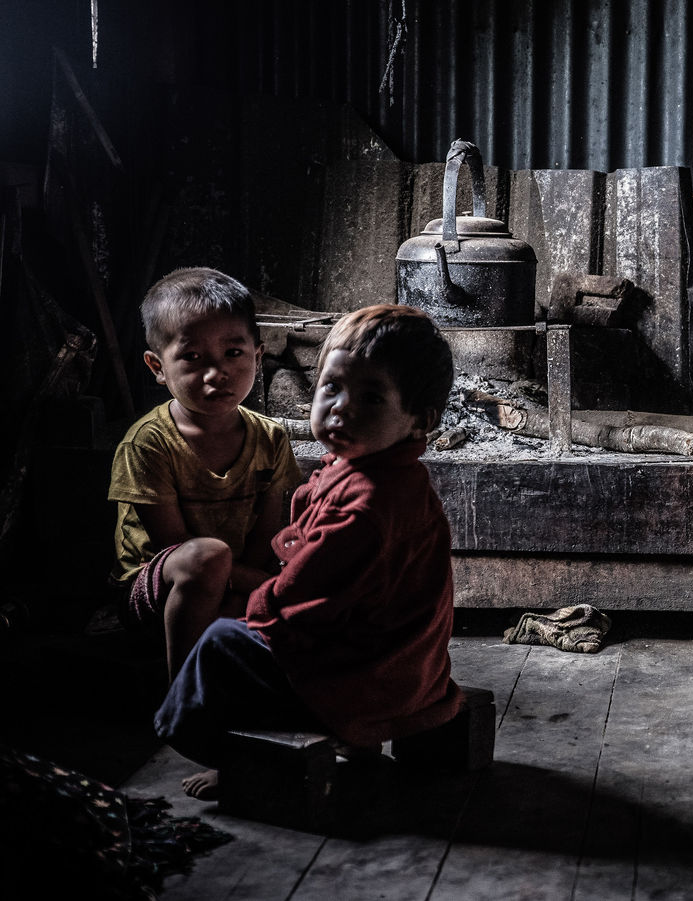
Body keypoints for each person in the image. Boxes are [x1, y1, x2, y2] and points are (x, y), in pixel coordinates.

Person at [154, 304, 466, 799]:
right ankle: (347, 738)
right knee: (248, 626)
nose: (341, 407)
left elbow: (307, 601)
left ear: (417, 420)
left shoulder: (367, 504)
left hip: (369, 679)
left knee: (221, 642)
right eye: (332, 387)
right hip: (401, 668)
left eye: (370, 397)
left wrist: (254, 609)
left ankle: (235, 757)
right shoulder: (386, 472)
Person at [109, 268, 302, 681]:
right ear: (157, 367)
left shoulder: (270, 438)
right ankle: (185, 696)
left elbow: (267, 536)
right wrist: (269, 588)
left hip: (237, 580)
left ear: (257, 354)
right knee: (208, 556)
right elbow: (176, 548)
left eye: (233, 353)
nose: (217, 373)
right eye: (193, 358)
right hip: (158, 589)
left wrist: (263, 584)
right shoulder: (149, 443)